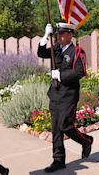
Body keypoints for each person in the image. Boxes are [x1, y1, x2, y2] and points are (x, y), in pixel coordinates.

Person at [37, 23, 93, 173]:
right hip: (55, 94)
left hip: (69, 94)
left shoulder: (76, 51)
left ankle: (86, 141)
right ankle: (58, 160)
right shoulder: (56, 49)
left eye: (63, 34)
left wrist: (60, 76)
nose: (59, 36)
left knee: (65, 126)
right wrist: (45, 37)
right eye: (58, 33)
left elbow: (79, 72)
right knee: (56, 129)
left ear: (70, 35)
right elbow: (41, 53)